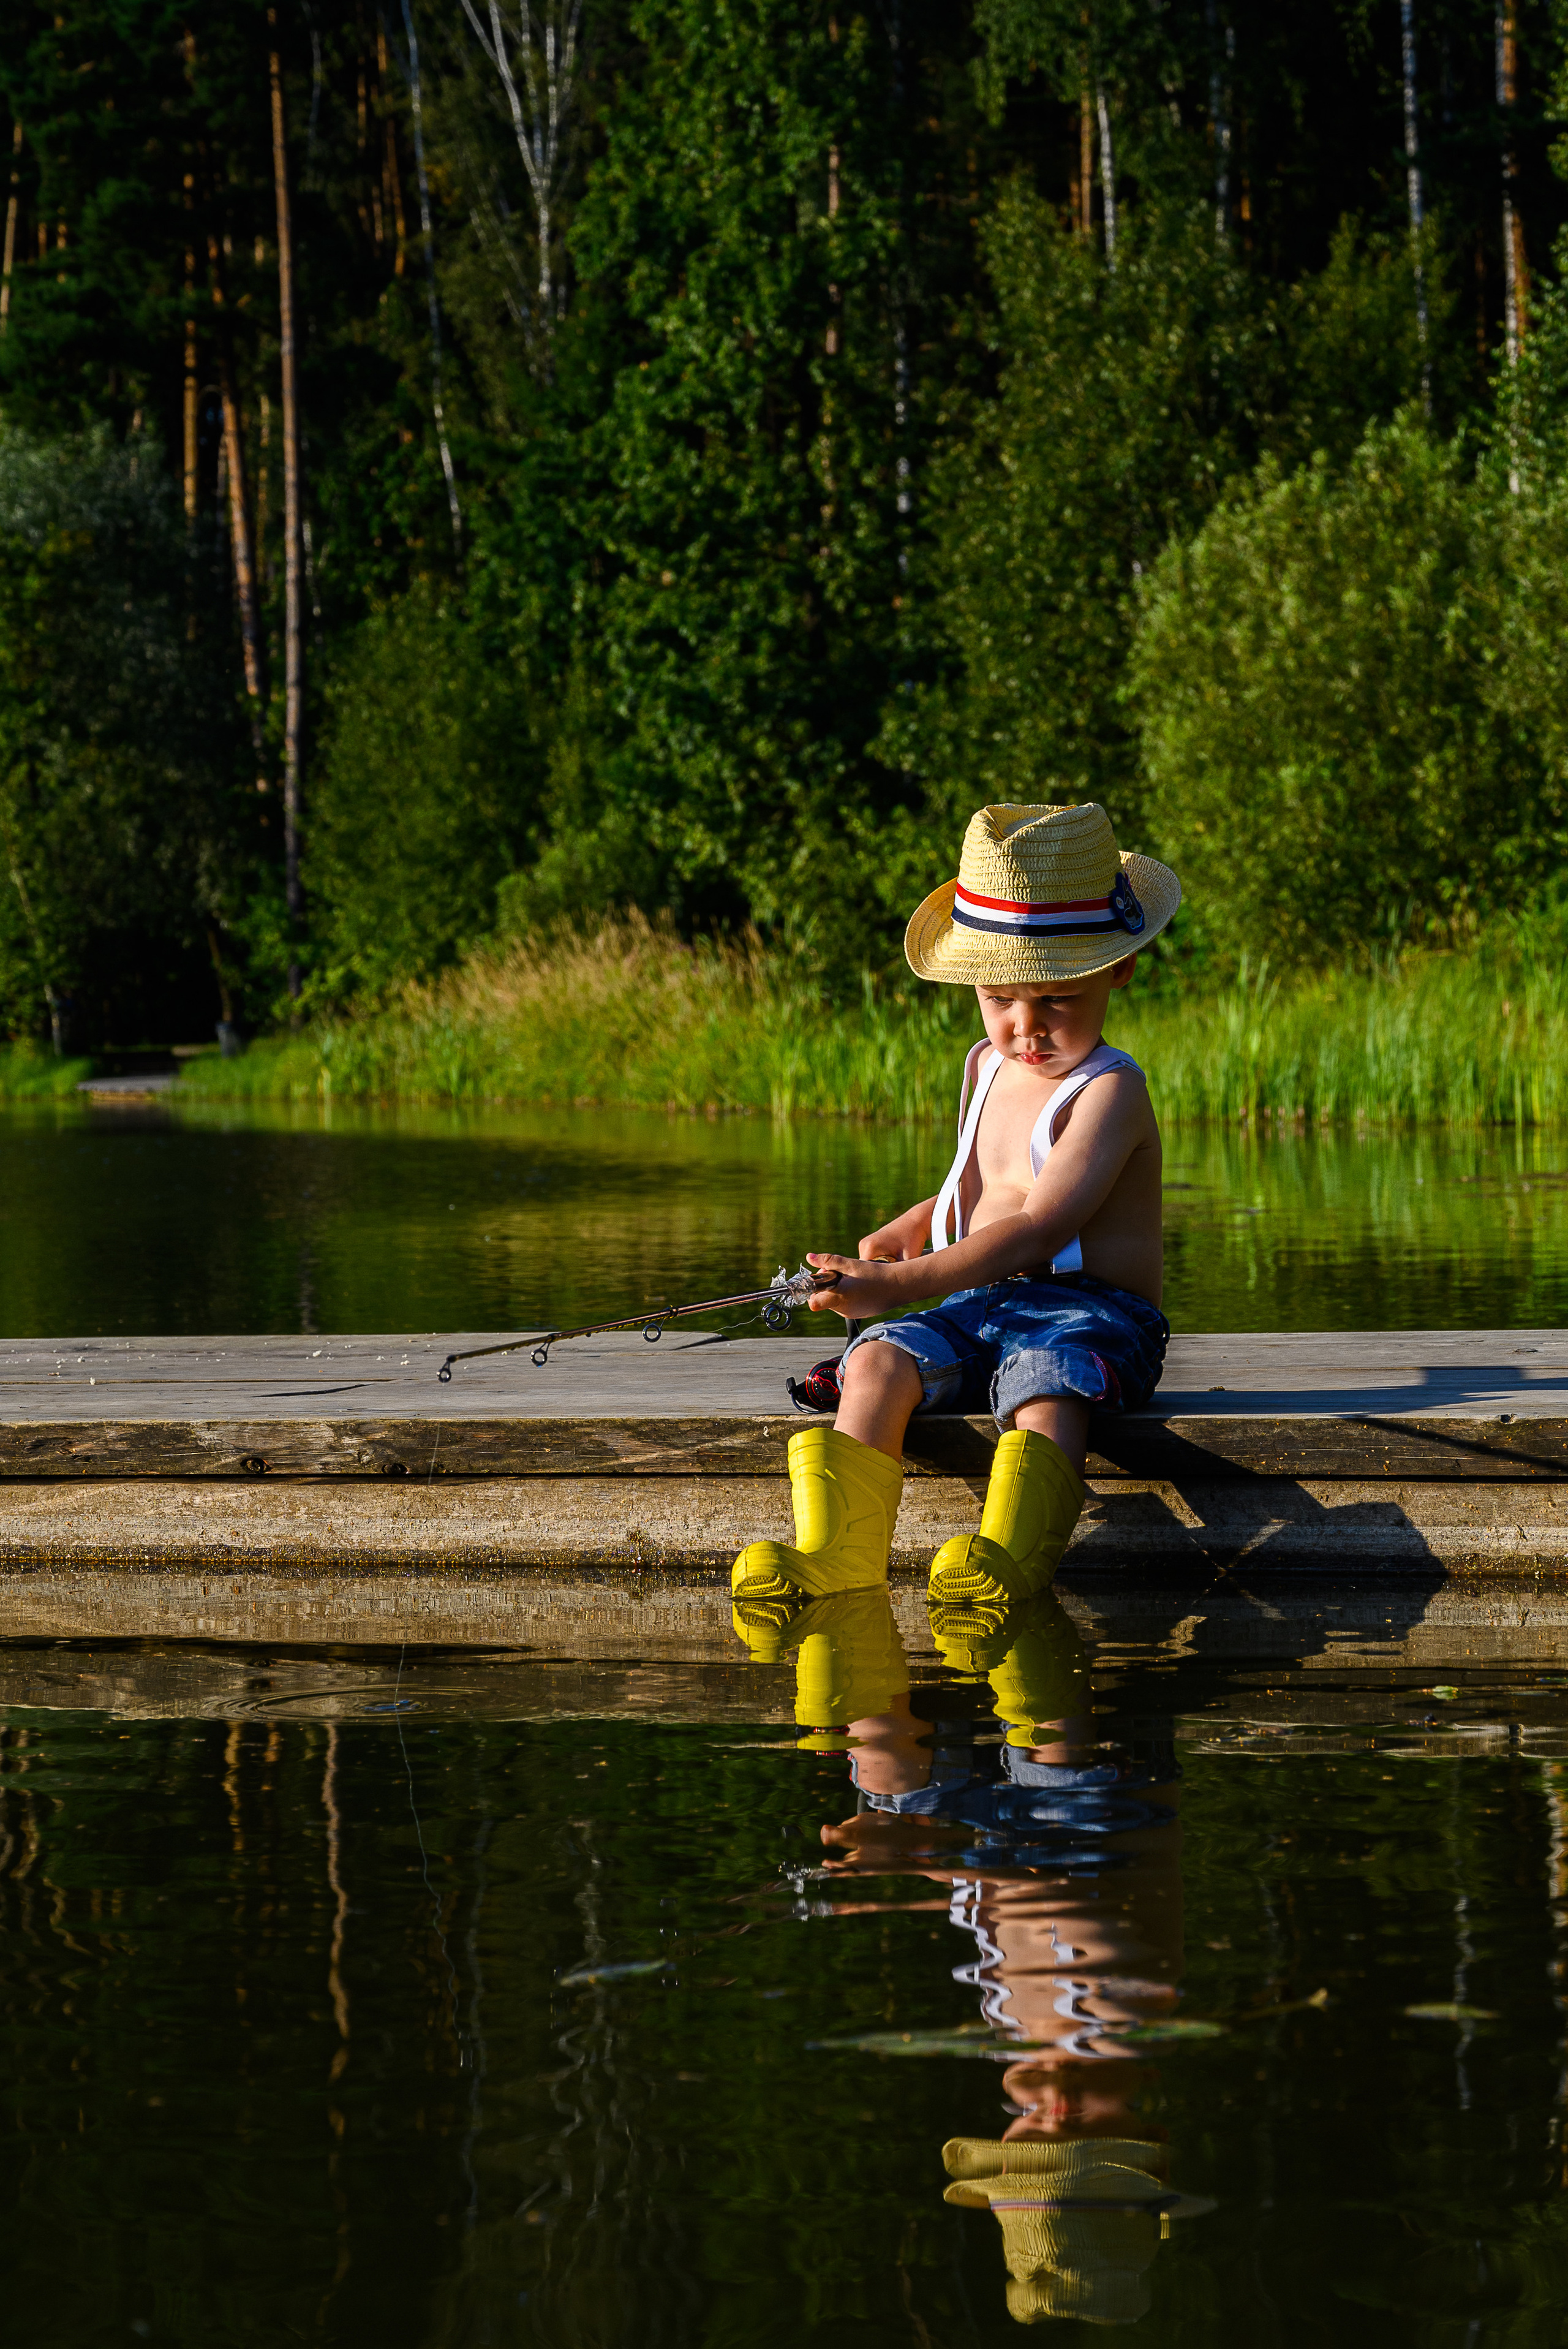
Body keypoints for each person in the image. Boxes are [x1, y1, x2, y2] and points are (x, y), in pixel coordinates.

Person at [732, 799, 1180, 1627]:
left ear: (1118, 971)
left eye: (1056, 1000)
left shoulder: (1113, 1089)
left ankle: (1010, 1554)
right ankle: (838, 1553)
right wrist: (908, 1235)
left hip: (1091, 1314)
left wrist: (901, 1279)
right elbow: (976, 1188)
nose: (1026, 1028)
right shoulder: (987, 1064)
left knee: (1046, 1380)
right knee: (873, 1361)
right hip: (981, 1301)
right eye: (1001, 998)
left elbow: (1041, 1225)